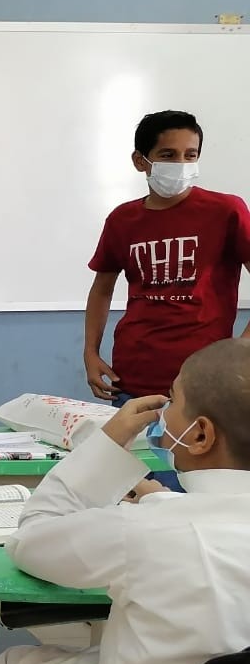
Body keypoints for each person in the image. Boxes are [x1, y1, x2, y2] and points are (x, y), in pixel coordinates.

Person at [0, 338, 250, 664]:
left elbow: (33, 539)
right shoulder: (164, 520)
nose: (165, 413)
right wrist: (157, 498)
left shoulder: (146, 531)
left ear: (200, 434)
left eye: (174, 399)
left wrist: (106, 447)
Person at [84, 110, 250, 490]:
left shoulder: (226, 211)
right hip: (132, 380)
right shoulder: (123, 220)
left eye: (191, 155)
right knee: (133, 494)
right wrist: (90, 352)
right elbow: (102, 287)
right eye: (168, 155)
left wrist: (241, 349)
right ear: (141, 161)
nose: (181, 164)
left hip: (201, 387)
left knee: (194, 497)